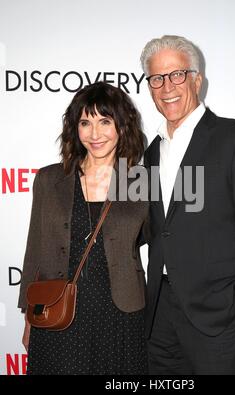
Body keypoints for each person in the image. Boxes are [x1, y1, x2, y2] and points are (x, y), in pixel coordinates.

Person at [141, 35, 235, 375]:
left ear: (197, 79)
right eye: (156, 78)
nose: (166, 87)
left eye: (176, 75)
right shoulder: (151, 152)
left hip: (217, 315)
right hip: (158, 314)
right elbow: (150, 228)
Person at [18, 81, 149, 375]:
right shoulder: (49, 179)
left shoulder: (141, 181)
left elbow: (166, 236)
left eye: (105, 121)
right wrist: (29, 319)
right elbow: (34, 251)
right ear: (74, 129)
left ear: (122, 126)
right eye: (85, 122)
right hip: (58, 311)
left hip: (120, 316)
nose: (95, 133)